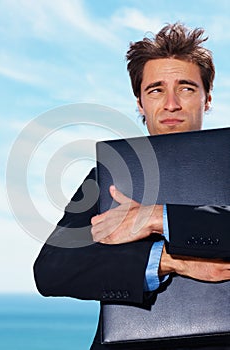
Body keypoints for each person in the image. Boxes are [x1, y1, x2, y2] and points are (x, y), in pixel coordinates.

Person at [34, 23, 230, 349]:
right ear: (140, 103)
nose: (171, 104)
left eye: (186, 88)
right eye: (155, 90)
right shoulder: (114, 172)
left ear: (207, 98)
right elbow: (52, 268)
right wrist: (170, 260)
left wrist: (157, 216)